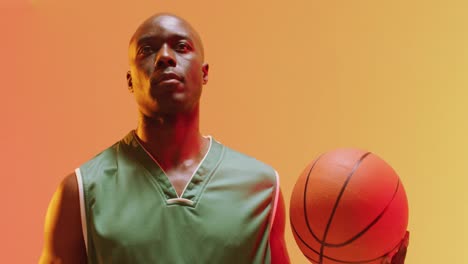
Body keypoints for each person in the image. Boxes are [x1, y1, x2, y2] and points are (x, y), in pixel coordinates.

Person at [39, 13, 290, 264]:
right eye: (147, 50)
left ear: (204, 74)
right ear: (130, 81)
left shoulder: (262, 188)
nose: (165, 57)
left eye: (182, 47)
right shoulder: (80, 193)